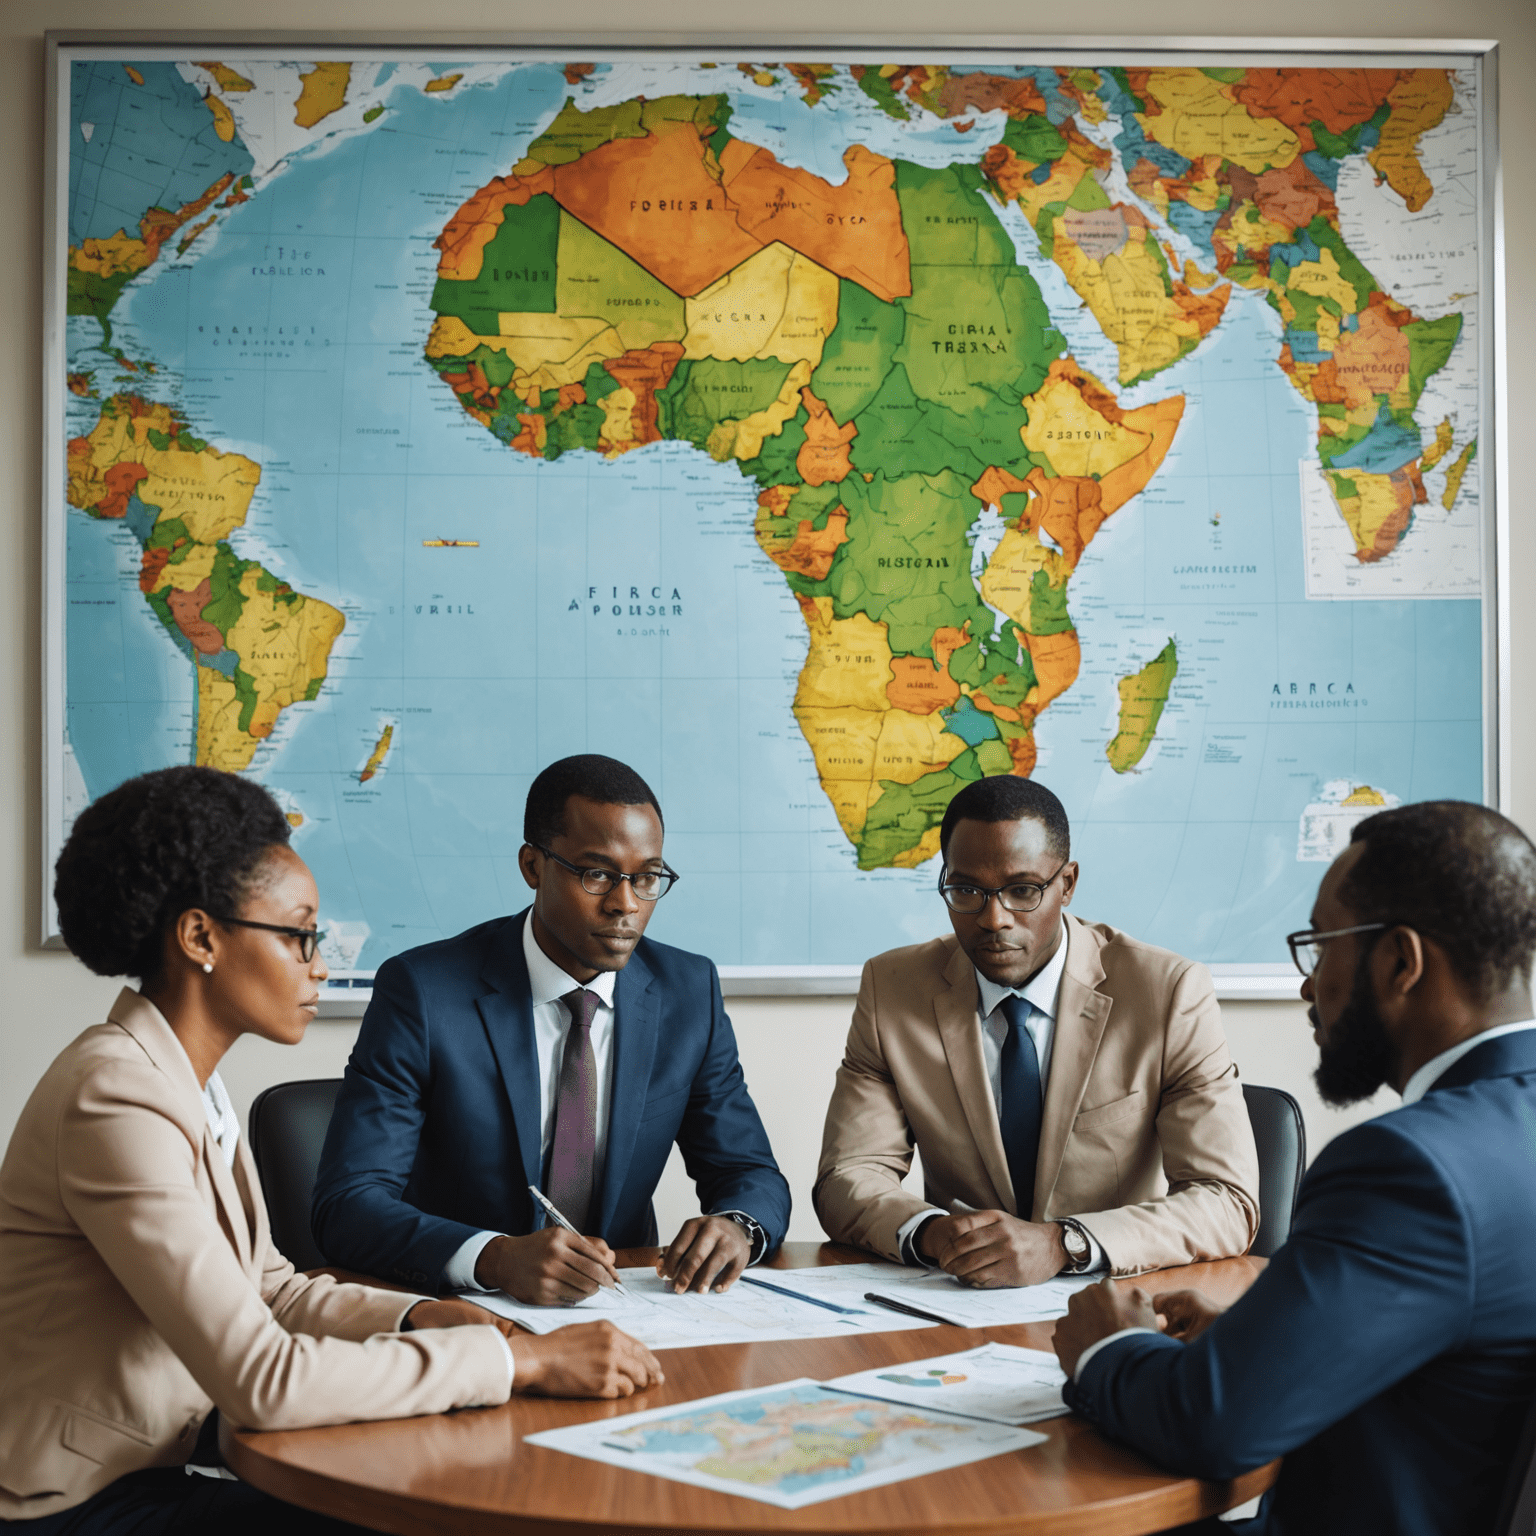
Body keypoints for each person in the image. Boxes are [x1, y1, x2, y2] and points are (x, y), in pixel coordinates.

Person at [0, 766, 661, 1534]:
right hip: (85, 1502)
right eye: (299, 934)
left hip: (168, 1462)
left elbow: (273, 1290)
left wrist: (424, 1315)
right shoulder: (114, 1096)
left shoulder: (181, 1082)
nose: (319, 963)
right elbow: (265, 1380)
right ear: (200, 937)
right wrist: (523, 1363)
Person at [1053, 799, 1536, 1536]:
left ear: (1401, 962)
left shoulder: (1409, 1168)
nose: (1309, 986)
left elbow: (1209, 1425)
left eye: (1321, 947)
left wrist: (1107, 1348)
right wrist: (1265, 1333)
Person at [313, 754, 791, 1304]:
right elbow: (348, 1204)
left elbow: (750, 1171)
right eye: (597, 874)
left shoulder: (687, 992)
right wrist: (494, 1257)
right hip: (463, 1312)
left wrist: (738, 1225)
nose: (626, 904)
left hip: (630, 1307)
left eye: (648, 877)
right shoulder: (424, 993)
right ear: (533, 867)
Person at [815, 774, 1259, 1283]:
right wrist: (933, 1233)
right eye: (966, 890)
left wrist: (1063, 1243)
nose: (993, 918)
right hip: (955, 1296)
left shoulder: (1167, 992)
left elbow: (1227, 1200)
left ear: (1067, 884)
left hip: (1112, 1294)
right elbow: (846, 1177)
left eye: (1023, 890)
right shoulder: (893, 988)